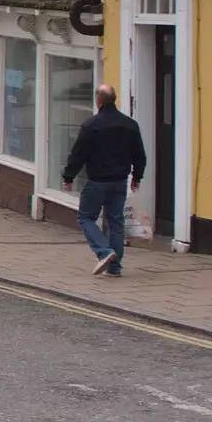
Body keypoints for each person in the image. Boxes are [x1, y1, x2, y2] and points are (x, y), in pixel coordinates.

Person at [62, 83, 148, 278]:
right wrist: (137, 177)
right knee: (116, 222)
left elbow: (78, 154)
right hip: (119, 181)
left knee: (86, 217)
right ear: (114, 100)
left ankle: (104, 251)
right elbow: (139, 155)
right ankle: (115, 268)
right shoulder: (130, 125)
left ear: (98, 101)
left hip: (97, 182)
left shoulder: (91, 125)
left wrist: (68, 176)